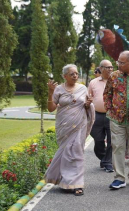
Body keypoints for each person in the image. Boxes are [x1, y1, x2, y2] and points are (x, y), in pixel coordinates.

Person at [45, 64, 95, 196]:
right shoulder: (59, 89)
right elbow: (51, 108)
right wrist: (50, 93)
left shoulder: (83, 88)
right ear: (65, 76)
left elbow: (86, 105)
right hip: (64, 126)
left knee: (77, 153)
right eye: (72, 74)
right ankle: (65, 181)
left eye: (76, 73)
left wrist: (88, 104)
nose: (75, 76)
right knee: (66, 154)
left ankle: (77, 184)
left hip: (79, 124)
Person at [103, 50, 129, 189]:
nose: (119, 64)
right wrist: (109, 109)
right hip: (117, 119)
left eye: (122, 62)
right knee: (118, 147)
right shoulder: (113, 76)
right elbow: (107, 94)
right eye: (118, 62)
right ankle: (119, 178)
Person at [87, 60, 114, 173]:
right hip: (97, 114)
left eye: (111, 67)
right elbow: (88, 97)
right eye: (107, 67)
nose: (110, 69)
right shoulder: (93, 82)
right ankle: (103, 158)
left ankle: (108, 162)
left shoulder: (116, 81)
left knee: (112, 140)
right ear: (101, 68)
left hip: (112, 115)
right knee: (98, 140)